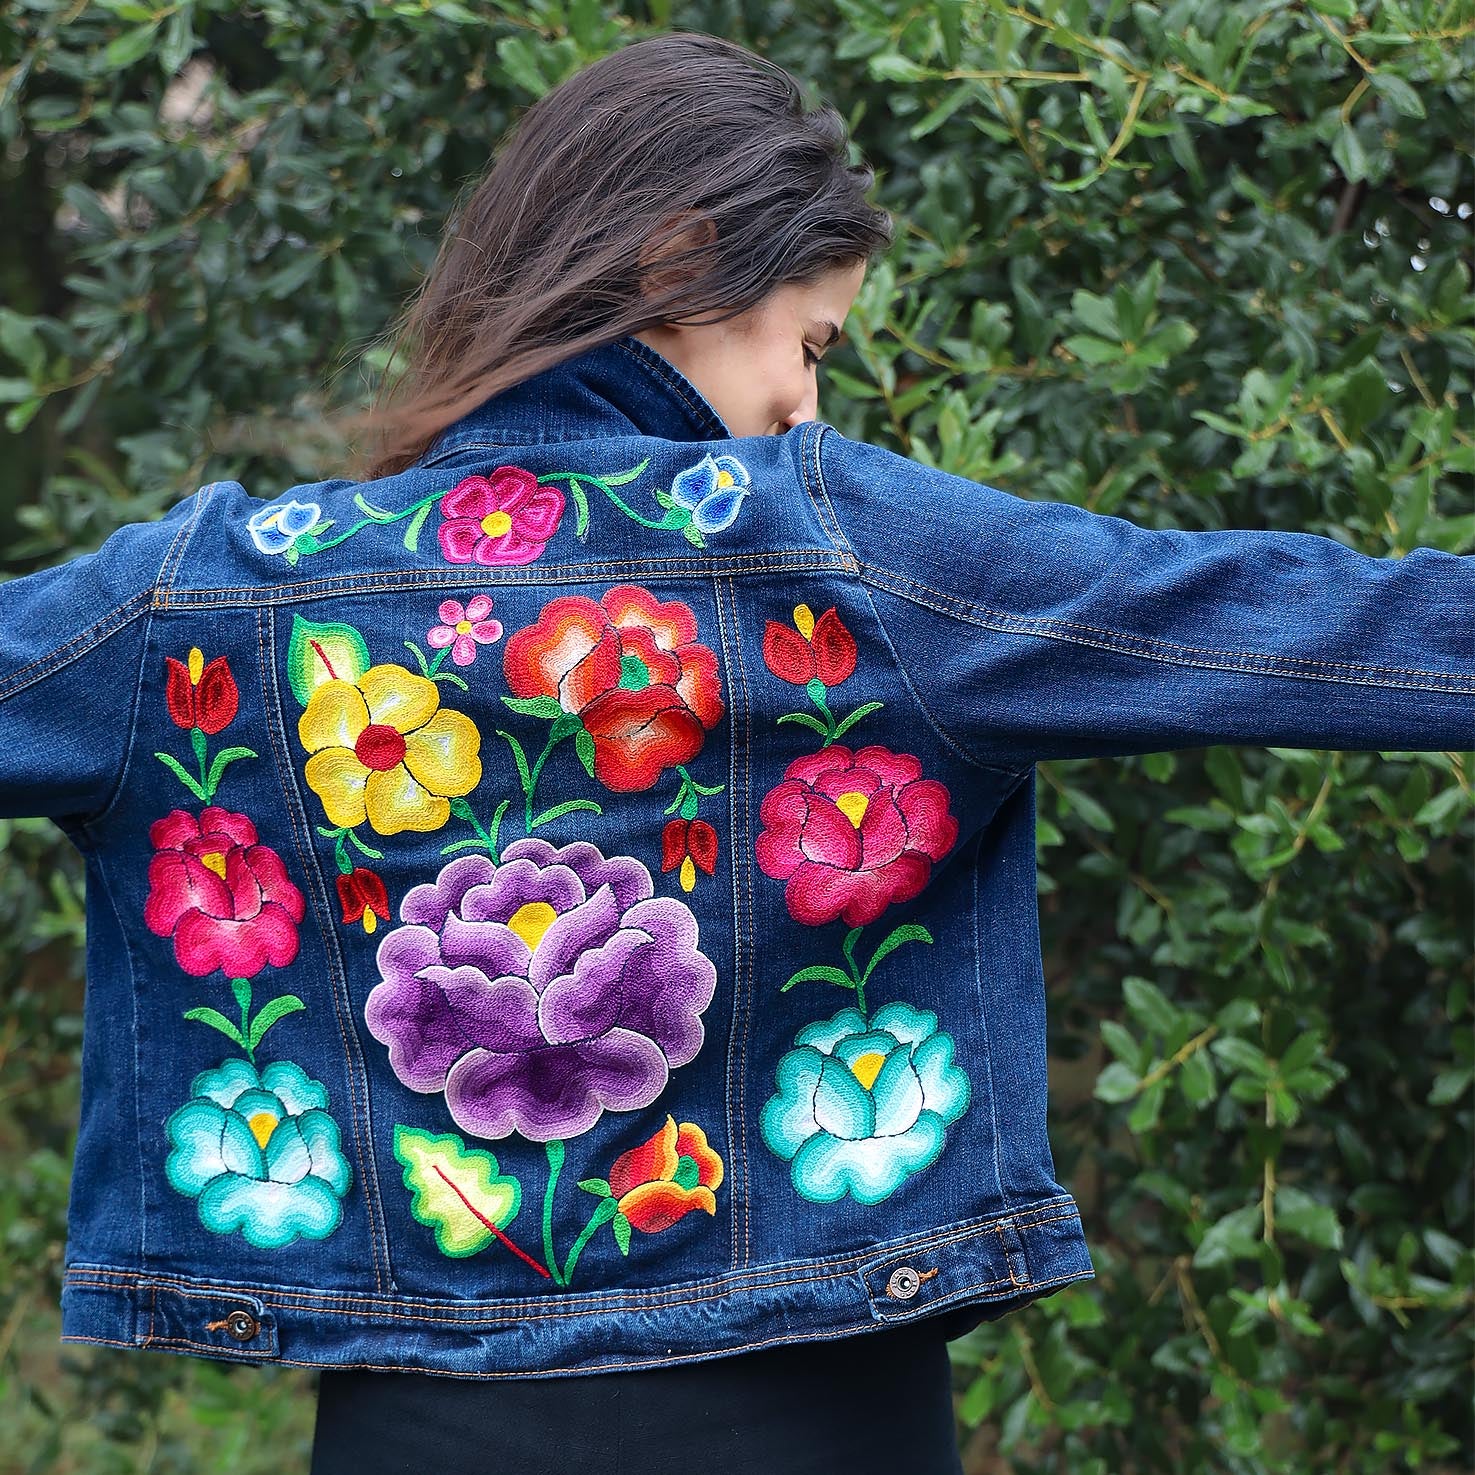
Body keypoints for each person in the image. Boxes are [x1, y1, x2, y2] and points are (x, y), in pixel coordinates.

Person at [1, 30, 1469, 1475]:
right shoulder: (851, 549)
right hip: (820, 1419)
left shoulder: (216, 596)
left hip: (420, 1430)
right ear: (680, 259)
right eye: (809, 344)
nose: (805, 407)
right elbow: (1266, 623)